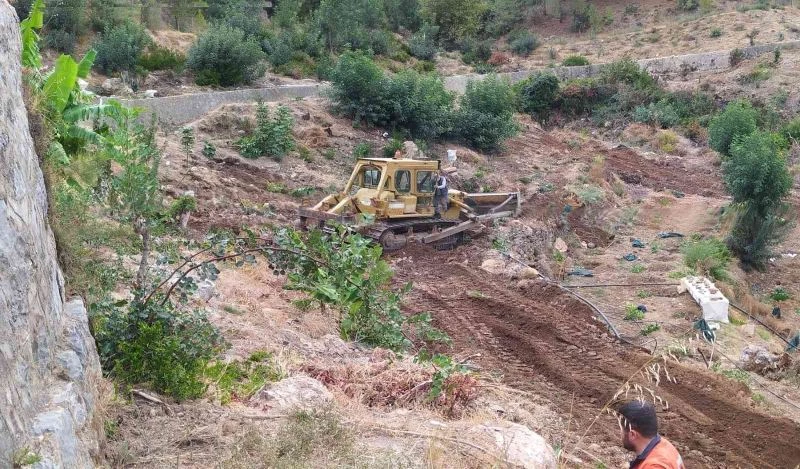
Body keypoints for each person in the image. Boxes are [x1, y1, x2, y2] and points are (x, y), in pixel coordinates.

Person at [618, 401, 685, 469]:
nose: (620, 433)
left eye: (621, 429)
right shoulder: (664, 444)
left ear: (632, 435)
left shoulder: (654, 466)